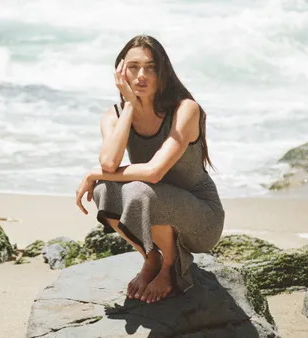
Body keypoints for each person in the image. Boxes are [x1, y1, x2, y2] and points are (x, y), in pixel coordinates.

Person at [75, 35, 225, 304]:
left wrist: (92, 172)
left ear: (163, 72)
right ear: (120, 72)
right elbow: (109, 164)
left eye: (151, 67)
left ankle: (170, 268)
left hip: (201, 219)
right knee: (104, 191)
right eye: (133, 67)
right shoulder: (115, 115)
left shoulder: (185, 109)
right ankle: (152, 258)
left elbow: (154, 172)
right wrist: (130, 106)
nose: (141, 75)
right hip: (156, 207)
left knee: (136, 191)